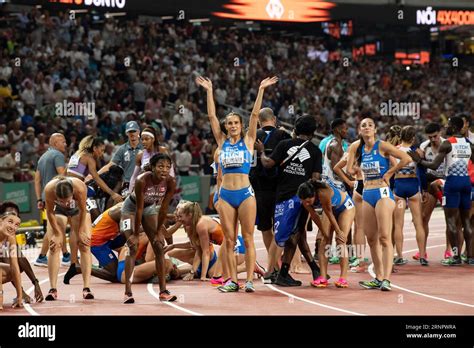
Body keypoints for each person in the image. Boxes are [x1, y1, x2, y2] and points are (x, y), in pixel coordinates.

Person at [196, 75, 278, 293]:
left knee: (249, 238)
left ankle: (250, 280)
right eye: (229, 123)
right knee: (230, 240)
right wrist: (209, 91)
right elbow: (211, 115)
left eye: (235, 123)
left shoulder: (249, 140)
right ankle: (232, 280)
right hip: (225, 196)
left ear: (241, 126)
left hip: (245, 194)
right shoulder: (221, 142)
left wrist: (261, 89)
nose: (232, 126)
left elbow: (253, 115)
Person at [346, 118, 411, 291]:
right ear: (359, 130)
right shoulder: (355, 147)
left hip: (382, 192)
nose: (366, 128)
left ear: (375, 129)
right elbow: (348, 169)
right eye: (363, 126)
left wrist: (389, 173)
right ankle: (379, 277)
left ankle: (387, 280)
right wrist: (356, 170)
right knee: (371, 238)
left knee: (384, 236)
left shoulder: (382, 146)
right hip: (367, 192)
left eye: (370, 125)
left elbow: (406, 158)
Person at [258, 114, 323, 286]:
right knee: (293, 235)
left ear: (295, 128)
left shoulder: (284, 144)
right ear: (313, 132)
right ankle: (277, 272)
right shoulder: (316, 151)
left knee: (285, 236)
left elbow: (267, 164)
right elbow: (315, 179)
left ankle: (277, 273)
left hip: (283, 196)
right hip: (302, 199)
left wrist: (261, 151)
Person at [409, 116, 474, 266]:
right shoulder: (468, 143)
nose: (446, 127)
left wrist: (418, 160)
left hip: (452, 183)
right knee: (466, 221)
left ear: (455, 127)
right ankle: (470, 257)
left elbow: (433, 165)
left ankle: (456, 257)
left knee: (451, 221)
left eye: (449, 125)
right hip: (466, 183)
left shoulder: (447, 143)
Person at [120, 153, 177, 303]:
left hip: (150, 207)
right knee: (132, 246)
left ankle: (163, 291)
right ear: (152, 167)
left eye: (167, 167)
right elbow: (138, 209)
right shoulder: (142, 180)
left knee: (159, 245)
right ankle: (128, 292)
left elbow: (164, 208)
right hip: (131, 208)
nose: (164, 170)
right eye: (160, 166)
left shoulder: (170, 182)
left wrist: (159, 232)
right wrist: (134, 234)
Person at [43, 176, 94, 300]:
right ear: (56, 194)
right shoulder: (49, 189)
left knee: (84, 244)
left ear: (72, 193)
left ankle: (86, 288)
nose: (65, 203)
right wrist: (57, 233)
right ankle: (52, 289)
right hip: (57, 211)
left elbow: (83, 210)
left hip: (77, 210)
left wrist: (81, 231)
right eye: (62, 200)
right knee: (54, 246)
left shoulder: (80, 188)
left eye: (67, 200)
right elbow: (49, 212)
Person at [298, 180, 356, 287]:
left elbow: (329, 212)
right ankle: (323, 277)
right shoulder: (304, 199)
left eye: (309, 201)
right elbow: (314, 215)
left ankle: (343, 278)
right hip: (331, 211)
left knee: (340, 241)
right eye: (304, 201)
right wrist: (324, 233)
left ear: (314, 194)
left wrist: (338, 232)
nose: (306, 203)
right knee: (323, 240)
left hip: (345, 208)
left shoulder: (323, 192)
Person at [249, 107, 291, 252]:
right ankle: (281, 257)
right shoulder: (284, 135)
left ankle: (272, 259)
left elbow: (249, 163)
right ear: (274, 119)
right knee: (282, 225)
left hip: (260, 189)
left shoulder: (252, 136)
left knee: (265, 226)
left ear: (259, 122)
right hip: (280, 188)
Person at [392, 126, 428, 266]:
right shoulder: (418, 151)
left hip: (399, 188)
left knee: (398, 224)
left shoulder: (394, 150)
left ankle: (399, 256)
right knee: (418, 223)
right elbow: (423, 171)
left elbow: (393, 169)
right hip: (413, 188)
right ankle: (422, 256)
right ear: (413, 138)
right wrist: (424, 189)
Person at [34, 133, 70, 268]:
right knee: (56, 226)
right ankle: (46, 256)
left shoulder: (42, 157)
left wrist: (39, 198)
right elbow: (63, 176)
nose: (65, 144)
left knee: (56, 225)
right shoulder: (58, 155)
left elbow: (37, 180)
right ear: (55, 143)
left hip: (45, 196)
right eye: (63, 142)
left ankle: (62, 255)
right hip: (56, 195)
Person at [0, 202, 43, 305]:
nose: (13, 225)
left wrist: (20, 295)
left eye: (16, 220)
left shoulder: (10, 236)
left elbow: (16, 264)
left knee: (12, 269)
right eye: (10, 219)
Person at [419, 123, 450, 260]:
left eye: (435, 136)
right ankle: (422, 251)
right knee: (424, 217)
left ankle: (448, 250)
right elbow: (419, 167)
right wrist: (423, 189)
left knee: (450, 219)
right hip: (430, 184)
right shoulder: (424, 146)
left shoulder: (448, 144)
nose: (433, 139)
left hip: (445, 183)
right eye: (430, 137)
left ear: (440, 132)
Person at [98, 120, 143, 196]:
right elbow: (111, 164)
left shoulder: (145, 147)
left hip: (143, 183)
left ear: (138, 131)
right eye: (130, 132)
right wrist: (95, 174)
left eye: (134, 131)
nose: (132, 134)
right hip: (127, 184)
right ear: (126, 133)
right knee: (120, 204)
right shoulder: (122, 149)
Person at [129, 127, 170, 192]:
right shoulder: (140, 155)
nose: (143, 142)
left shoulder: (162, 150)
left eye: (146, 139)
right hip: (144, 189)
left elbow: (170, 172)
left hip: (161, 189)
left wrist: (169, 191)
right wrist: (129, 192)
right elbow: (134, 177)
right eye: (142, 140)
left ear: (153, 139)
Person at [0, 211, 23, 309]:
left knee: (12, 271)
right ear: (1, 221)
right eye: (10, 222)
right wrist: (0, 297)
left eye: (16, 225)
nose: (13, 227)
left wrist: (20, 296)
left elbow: (15, 266)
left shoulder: (11, 238)